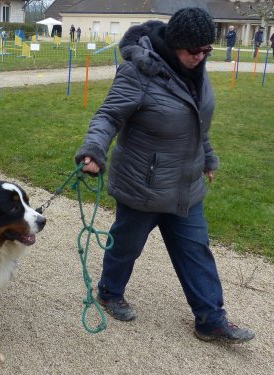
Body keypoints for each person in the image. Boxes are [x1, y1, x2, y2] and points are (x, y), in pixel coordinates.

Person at [75, 7, 255, 343]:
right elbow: (108, 116)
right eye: (194, 51)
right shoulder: (137, 72)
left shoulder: (197, 71)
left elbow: (198, 123)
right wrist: (93, 150)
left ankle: (211, 319)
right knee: (126, 246)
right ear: (175, 45)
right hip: (143, 183)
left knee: (196, 251)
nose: (201, 57)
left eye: (207, 50)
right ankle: (110, 292)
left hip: (186, 185)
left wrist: (208, 159)